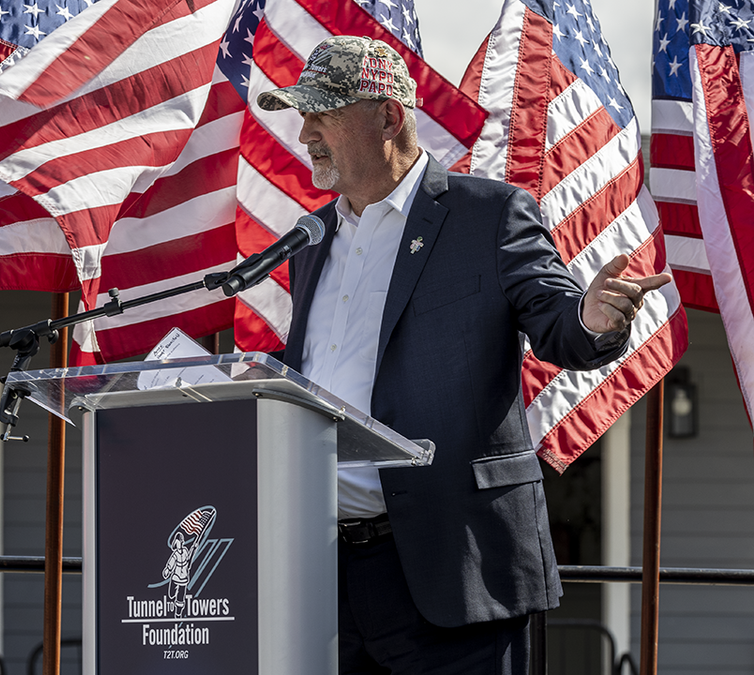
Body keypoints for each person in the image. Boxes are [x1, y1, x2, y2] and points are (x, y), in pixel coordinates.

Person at [255, 36, 671, 674]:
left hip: (455, 566)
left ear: (389, 117)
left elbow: (561, 322)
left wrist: (592, 318)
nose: (305, 131)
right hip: (325, 577)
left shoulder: (490, 215)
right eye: (301, 114)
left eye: (322, 112)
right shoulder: (313, 241)